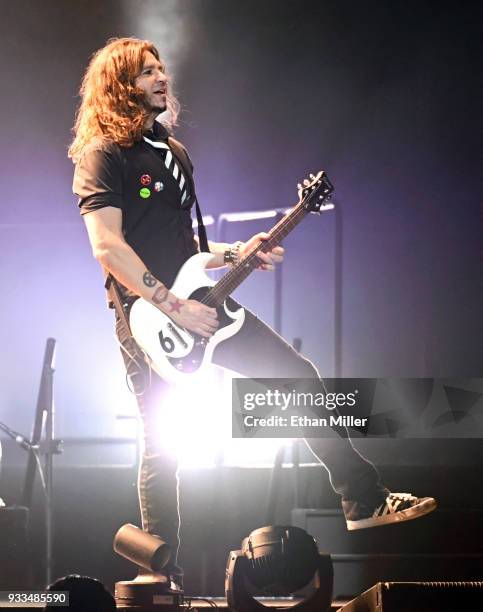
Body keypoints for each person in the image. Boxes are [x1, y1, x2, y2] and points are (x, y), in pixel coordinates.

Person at [70, 37, 436, 586]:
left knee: (296, 375)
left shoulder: (174, 151)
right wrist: (171, 305)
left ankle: (362, 500)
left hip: (201, 301)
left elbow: (189, 247)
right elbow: (108, 246)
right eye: (147, 72)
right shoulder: (103, 153)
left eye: (162, 69)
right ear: (121, 85)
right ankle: (160, 574)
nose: (161, 78)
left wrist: (238, 251)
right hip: (148, 319)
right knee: (162, 442)